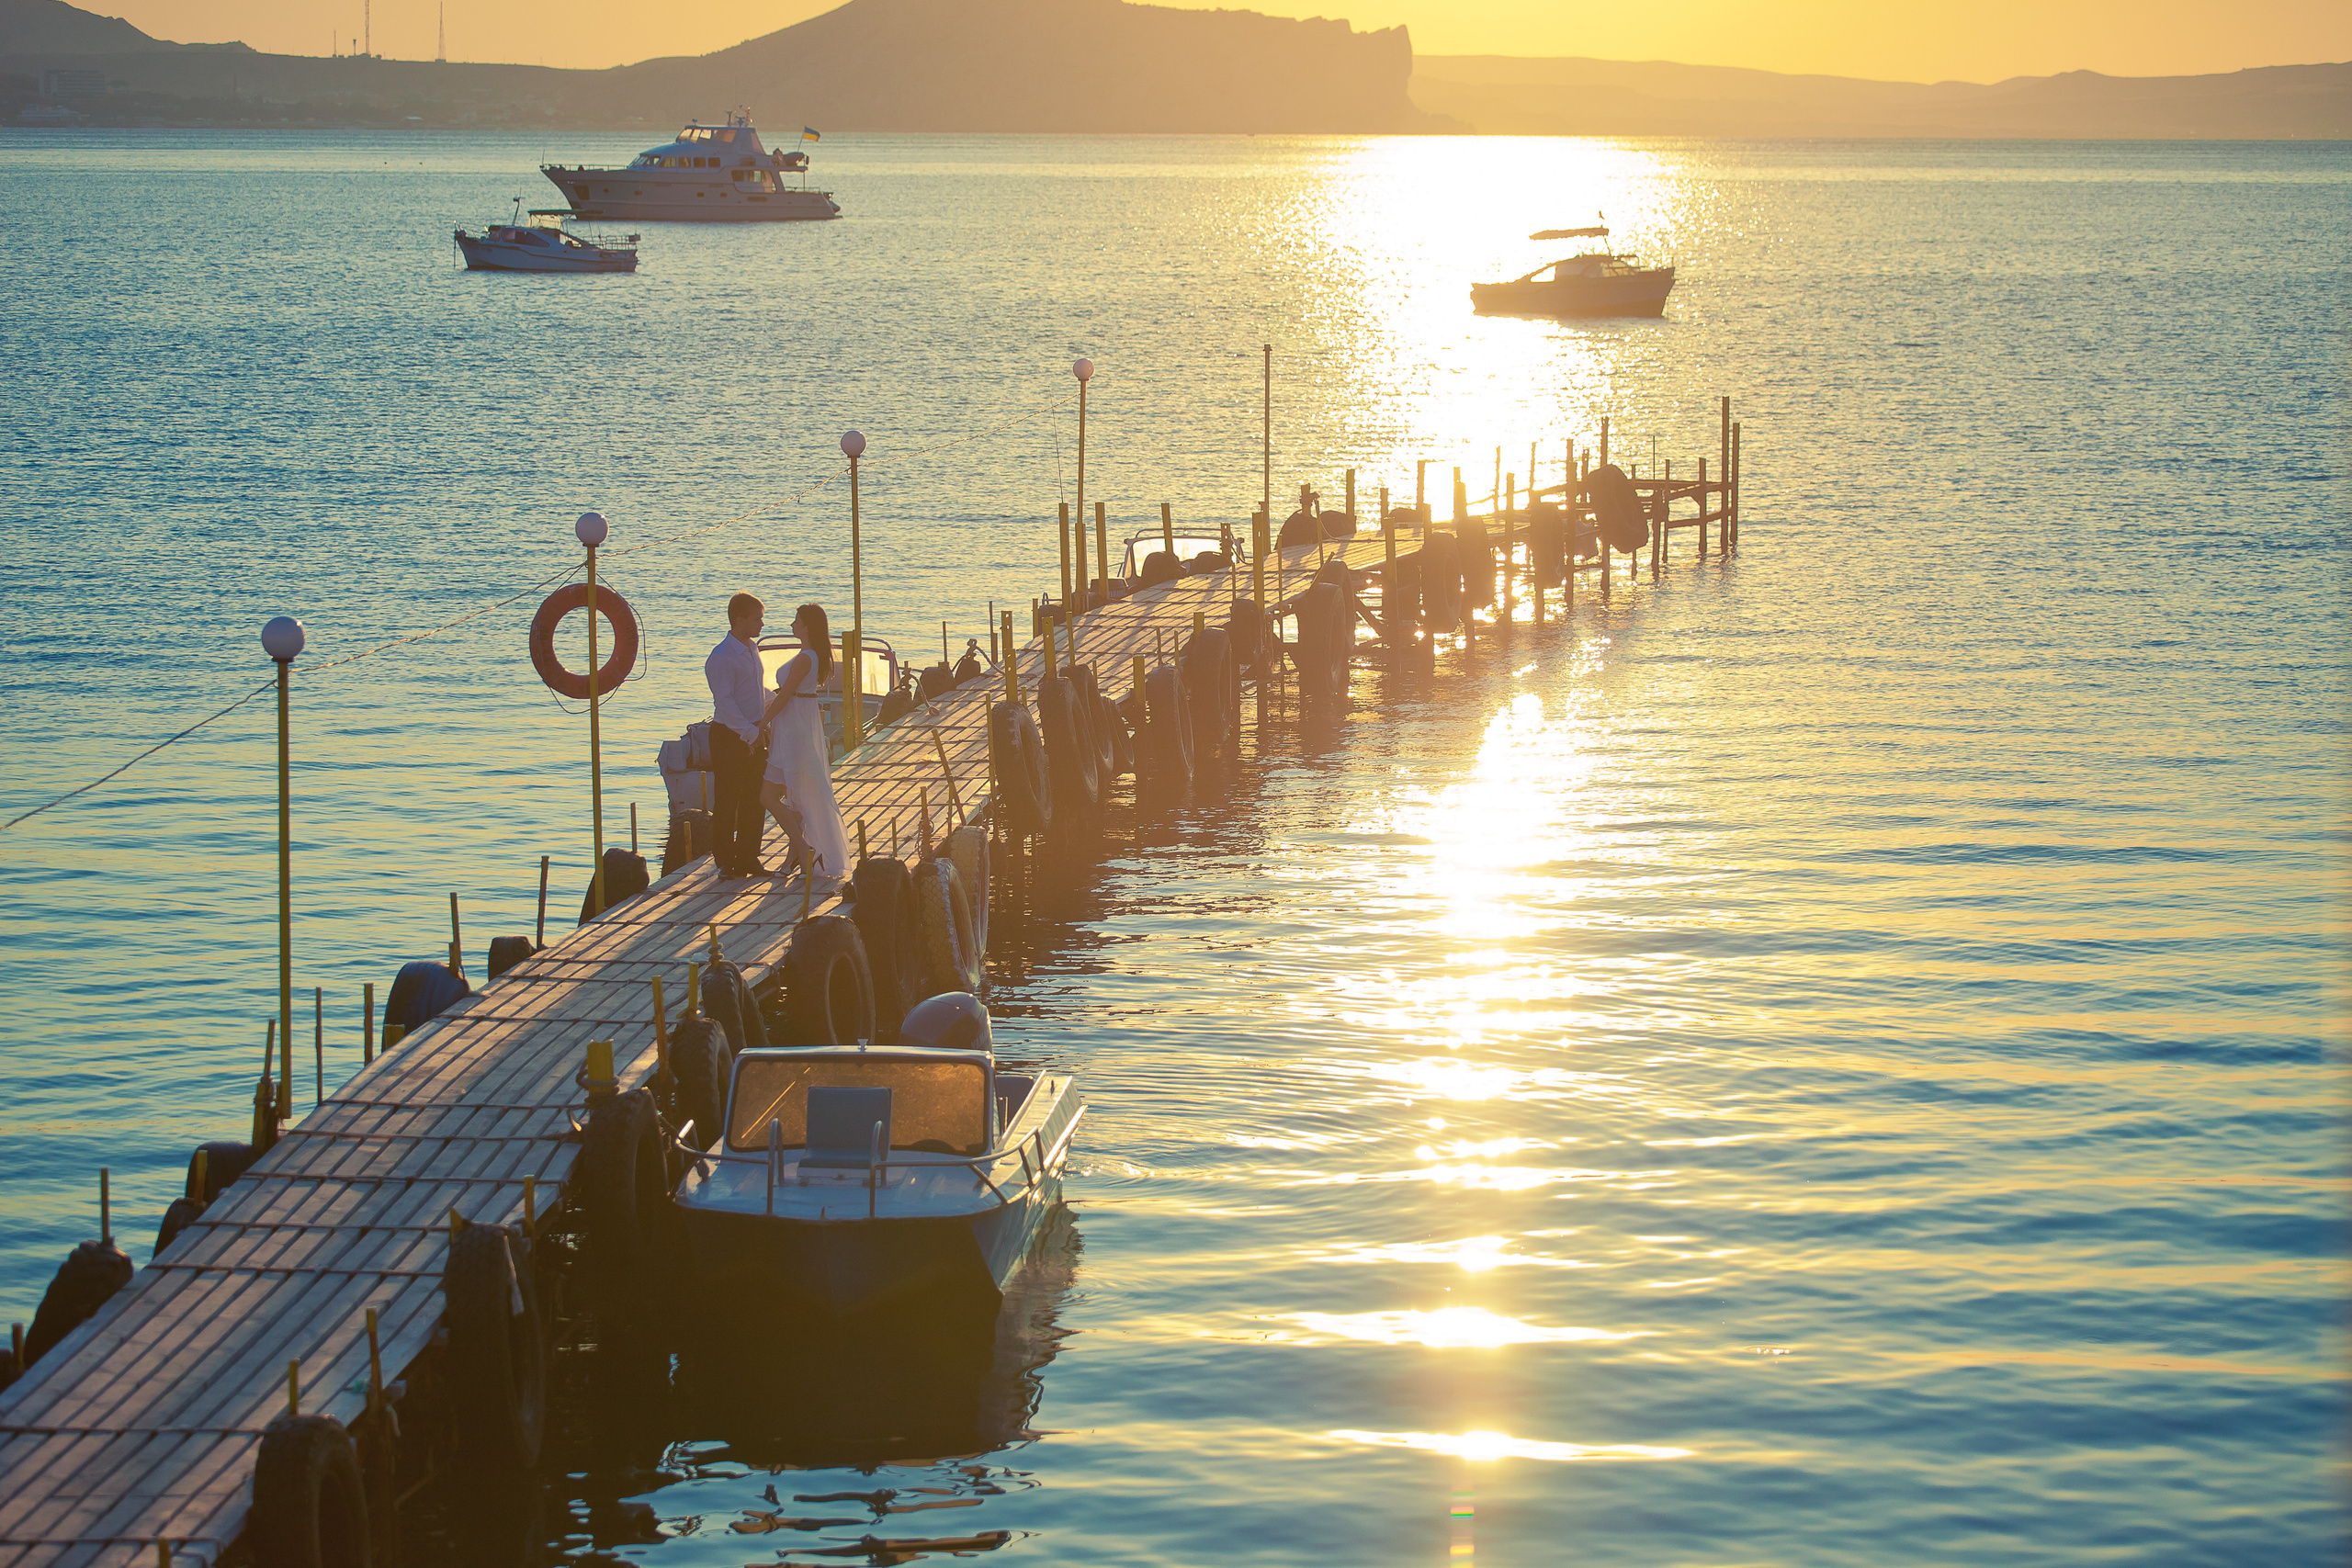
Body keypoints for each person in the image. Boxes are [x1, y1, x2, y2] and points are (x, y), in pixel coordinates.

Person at [760, 603, 853, 878]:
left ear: (808, 626)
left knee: (767, 796)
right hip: (794, 725)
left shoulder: (805, 658)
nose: (792, 625)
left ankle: (802, 848)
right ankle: (794, 858)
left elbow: (786, 694)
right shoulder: (809, 656)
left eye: (796, 620)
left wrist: (762, 723)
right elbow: (787, 694)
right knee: (793, 798)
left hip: (794, 729)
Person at [703, 592, 769, 878]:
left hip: (753, 730)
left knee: (756, 797)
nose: (762, 624)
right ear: (739, 620)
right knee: (728, 799)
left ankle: (748, 857)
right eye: (757, 619)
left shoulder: (752, 650)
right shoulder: (721, 657)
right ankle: (726, 862)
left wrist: (782, 702)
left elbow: (756, 691)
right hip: (729, 736)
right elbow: (725, 704)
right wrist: (750, 733)